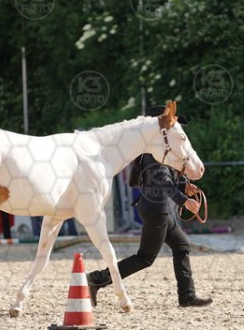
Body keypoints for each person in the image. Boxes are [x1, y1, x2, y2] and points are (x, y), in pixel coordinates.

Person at [86, 106, 213, 308]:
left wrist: (183, 187)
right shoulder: (153, 152)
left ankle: (187, 296)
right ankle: (97, 279)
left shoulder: (161, 150)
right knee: (145, 258)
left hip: (159, 209)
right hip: (156, 211)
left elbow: (165, 179)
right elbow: (162, 181)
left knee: (181, 246)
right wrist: (183, 201)